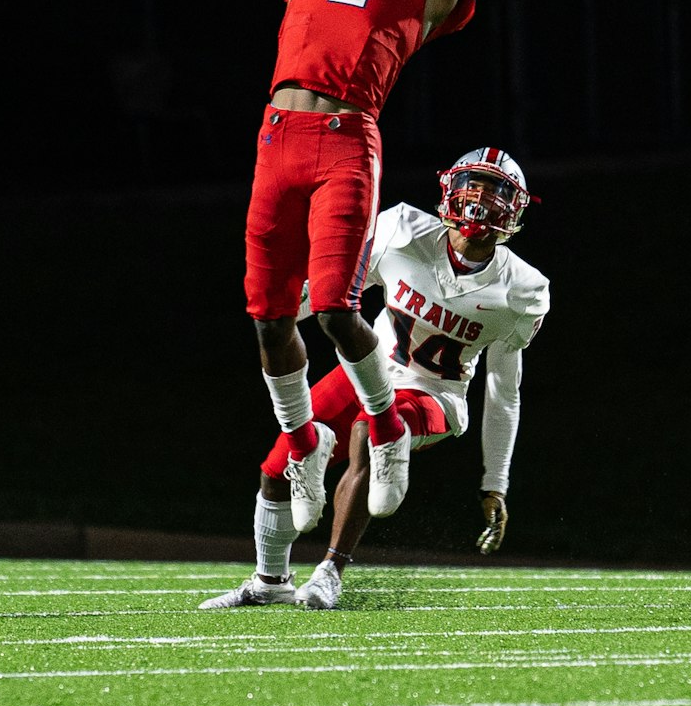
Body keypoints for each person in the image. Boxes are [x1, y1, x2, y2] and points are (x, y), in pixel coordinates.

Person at [244, 0, 554, 537]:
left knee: (339, 308)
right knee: (271, 318)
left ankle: (383, 435)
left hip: (346, 133)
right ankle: (302, 450)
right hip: (277, 131)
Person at [201, 145, 549, 610]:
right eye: (473, 186)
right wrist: (279, 317)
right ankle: (270, 580)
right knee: (277, 466)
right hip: (369, 371)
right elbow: (335, 296)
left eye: (493, 190)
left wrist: (495, 481)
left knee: (374, 430)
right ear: (450, 189)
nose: (478, 200)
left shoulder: (523, 289)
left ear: (515, 206)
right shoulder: (403, 229)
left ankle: (331, 570)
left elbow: (504, 390)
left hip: (436, 394)